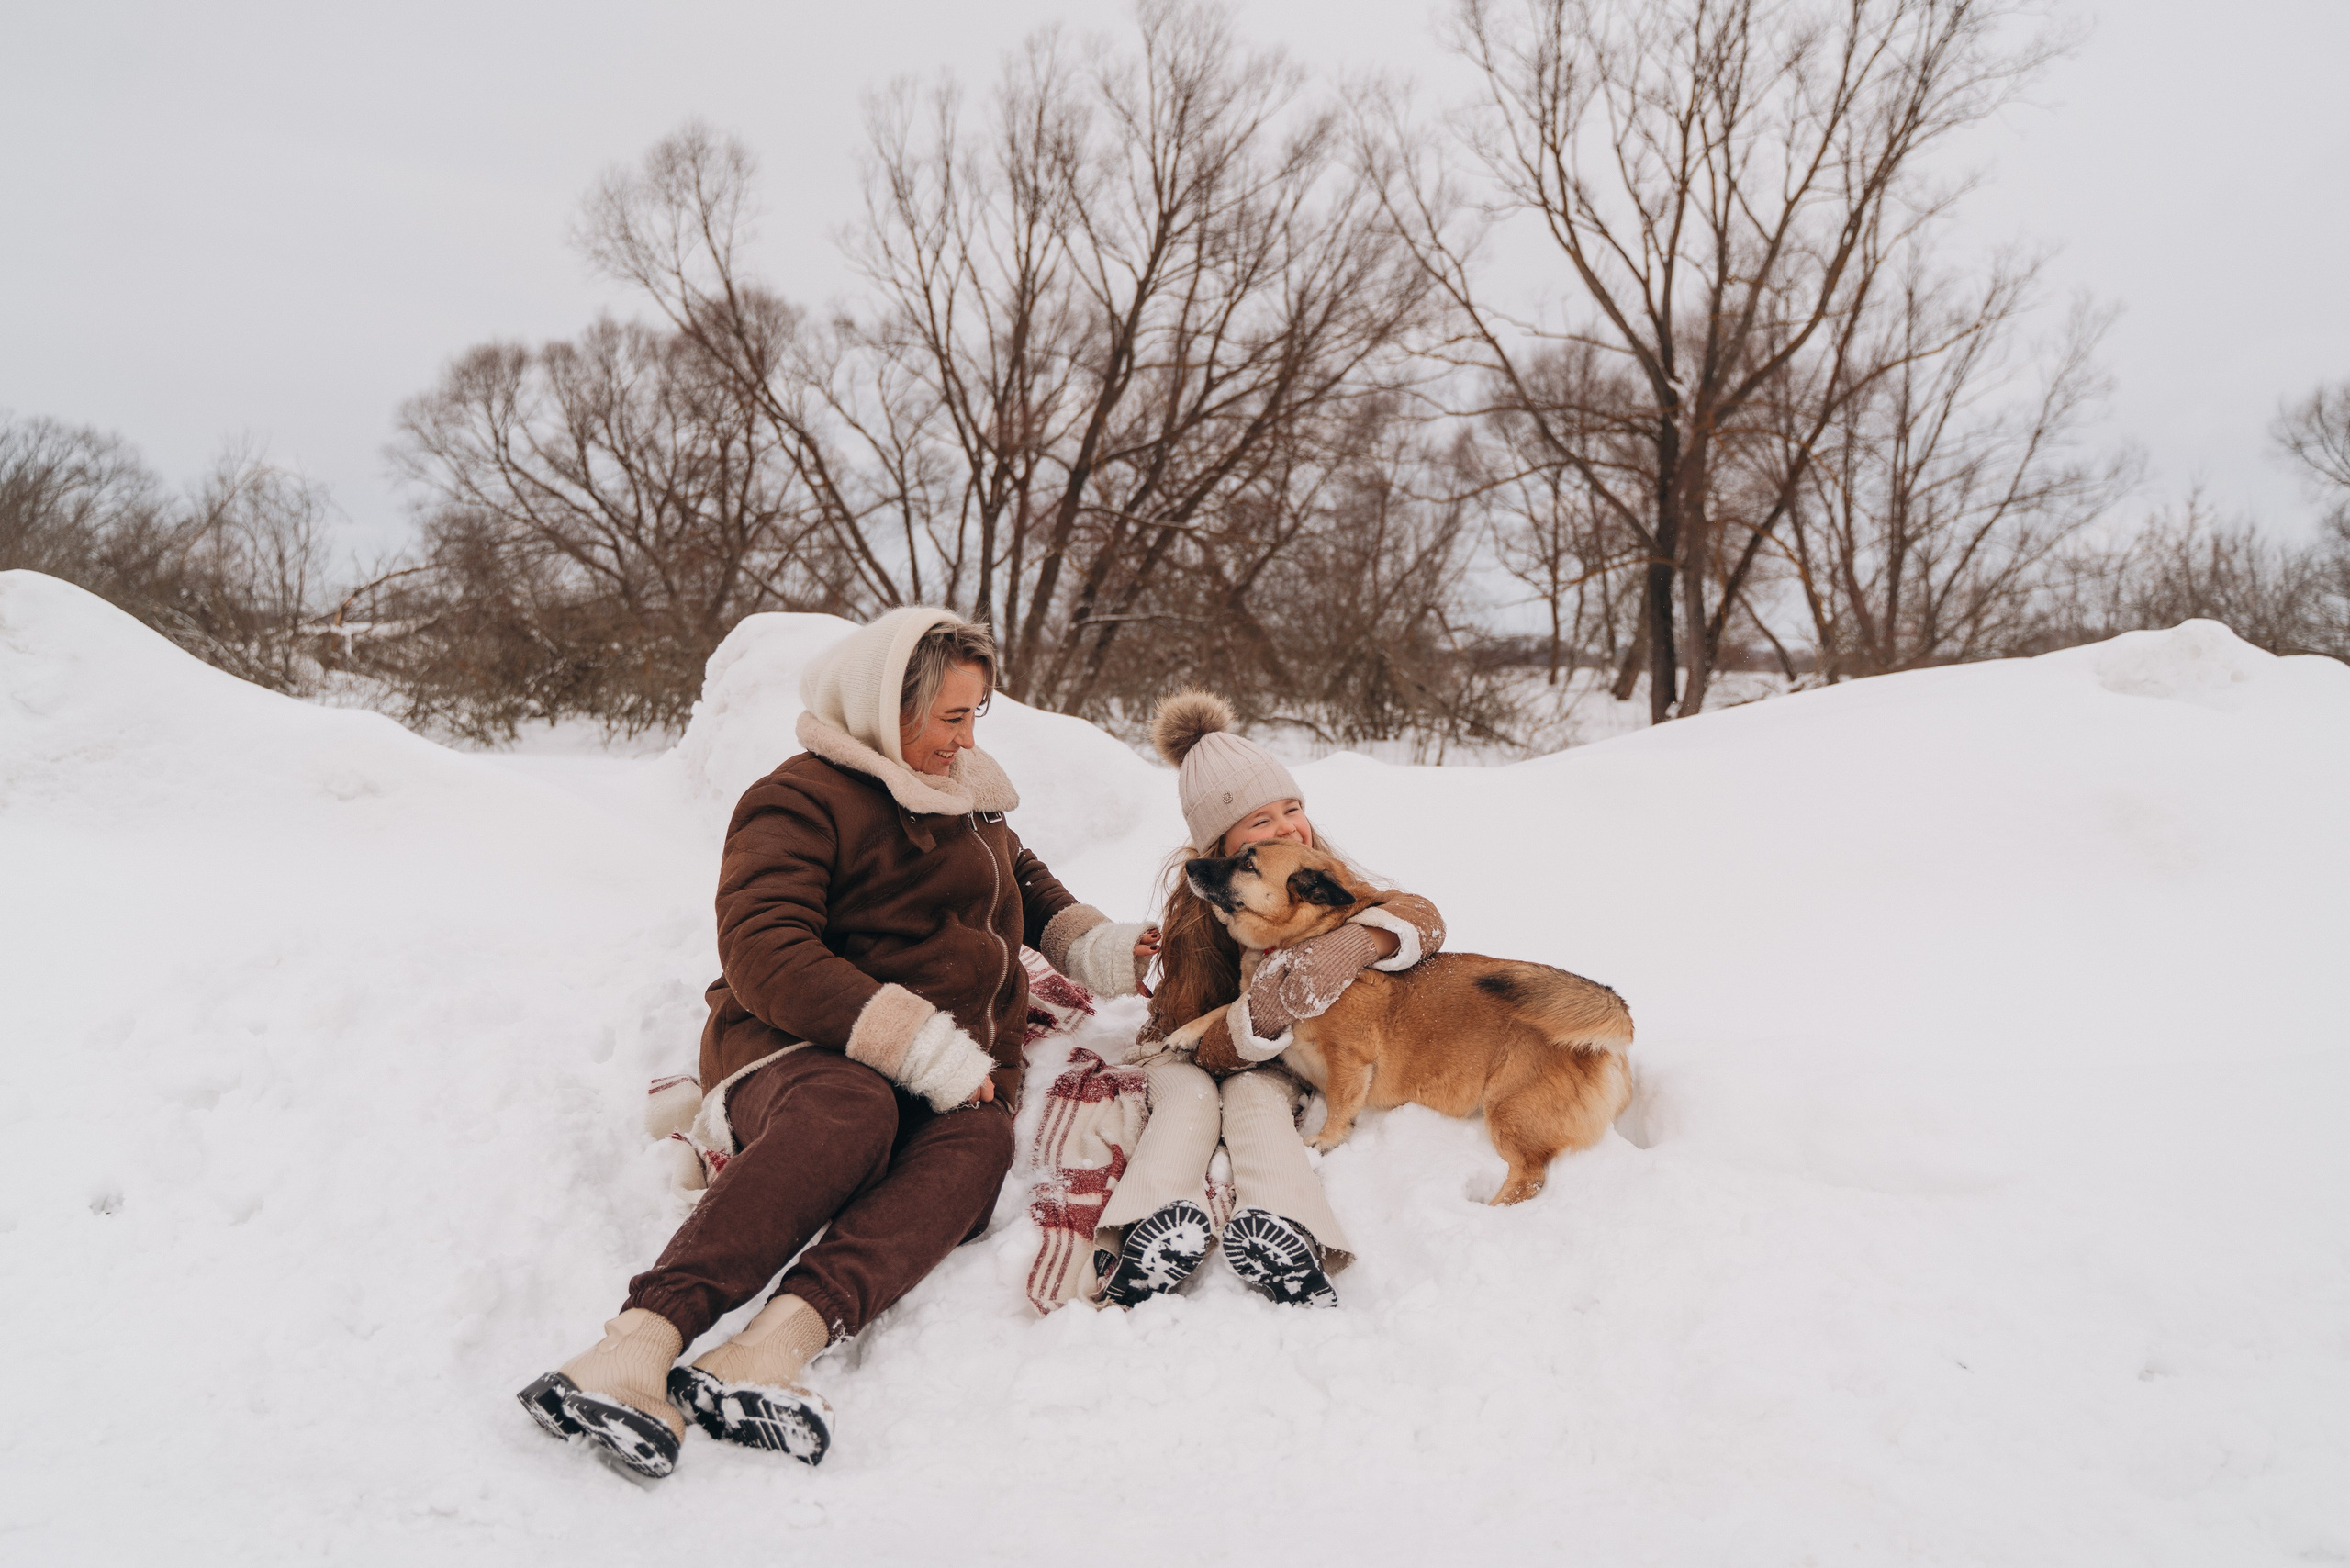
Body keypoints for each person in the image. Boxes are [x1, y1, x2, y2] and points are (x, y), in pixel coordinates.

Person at [517, 609, 1152, 1480]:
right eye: (951, 717)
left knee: (977, 1146)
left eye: (977, 715)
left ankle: (768, 1352)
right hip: (798, 1044)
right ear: (887, 711)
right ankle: (635, 1346)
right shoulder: (800, 798)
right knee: (851, 1111)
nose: (967, 739)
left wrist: (1101, 945)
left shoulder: (966, 794)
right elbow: (764, 948)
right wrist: (919, 1047)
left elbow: (1027, 888)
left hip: (951, 1063)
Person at [1091, 691, 1446, 1309]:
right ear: (1221, 845)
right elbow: (1185, 1027)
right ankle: (1142, 1233)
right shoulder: (1198, 914)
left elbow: (1422, 915)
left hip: (1283, 1061)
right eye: (1261, 821)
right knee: (1188, 1102)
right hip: (1199, 1050)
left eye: (1292, 808)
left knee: (1259, 1104)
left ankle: (1290, 1233)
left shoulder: (1316, 873)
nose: (1287, 826)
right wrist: (1258, 1018)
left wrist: (1358, 942)